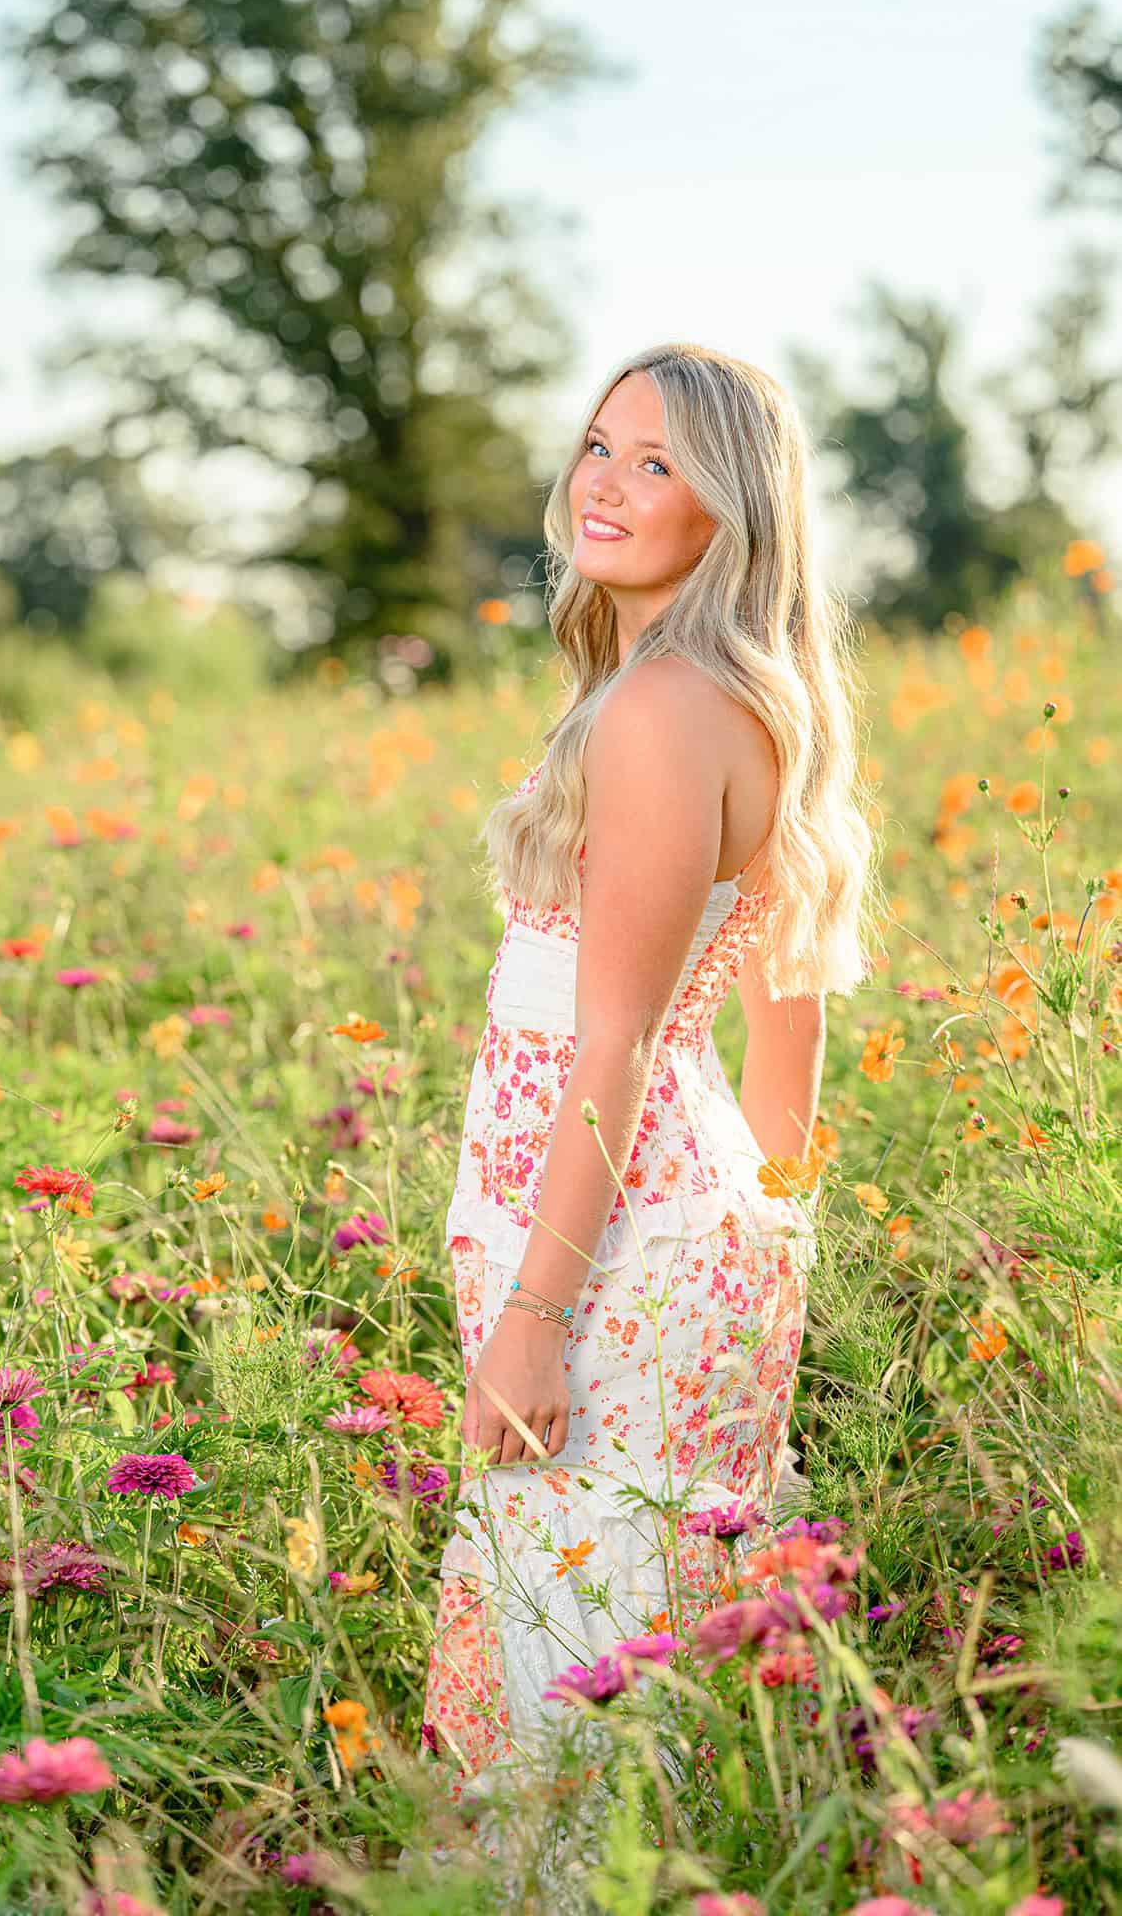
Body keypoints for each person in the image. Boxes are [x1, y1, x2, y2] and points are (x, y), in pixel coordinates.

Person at [418, 342, 882, 1830]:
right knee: (645, 1618)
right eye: (599, 446)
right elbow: (784, 999)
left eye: (658, 462)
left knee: (581, 1636)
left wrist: (536, 1321)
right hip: (681, 1214)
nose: (605, 484)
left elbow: (609, 1043)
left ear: (730, 507)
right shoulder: (726, 692)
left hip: (610, 1239)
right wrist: (772, 1220)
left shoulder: (662, 709)